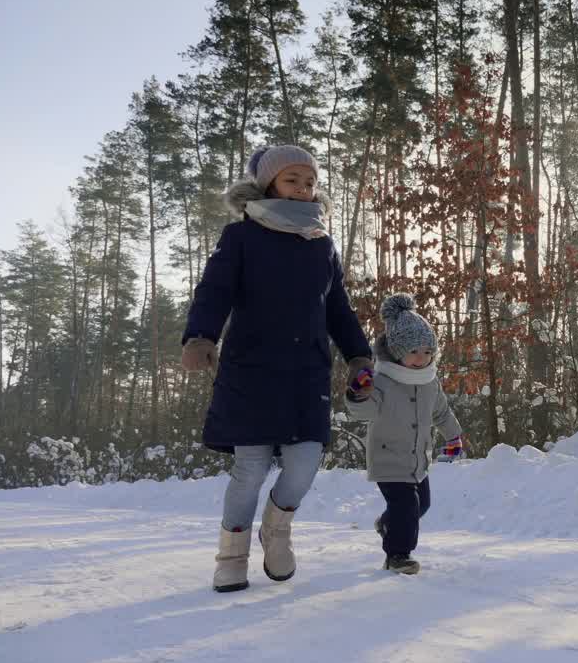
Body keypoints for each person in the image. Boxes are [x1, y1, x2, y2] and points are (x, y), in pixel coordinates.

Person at [181, 144, 374, 593]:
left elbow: (338, 309)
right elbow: (214, 291)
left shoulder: (321, 243)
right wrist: (200, 336)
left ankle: (277, 529)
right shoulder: (241, 237)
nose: (304, 188)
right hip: (251, 368)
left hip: (307, 371)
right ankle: (231, 555)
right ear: (268, 183)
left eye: (310, 182)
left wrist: (359, 355)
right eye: (293, 179)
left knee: (305, 464)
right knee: (249, 468)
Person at [348, 293, 464, 574]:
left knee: (421, 504)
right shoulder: (382, 382)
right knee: (407, 507)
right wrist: (357, 394)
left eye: (427, 352)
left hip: (418, 460)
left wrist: (453, 436)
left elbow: (441, 413)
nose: (420, 358)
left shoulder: (429, 382)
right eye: (413, 351)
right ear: (398, 351)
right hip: (388, 458)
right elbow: (361, 411)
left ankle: (388, 523)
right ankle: (398, 555)